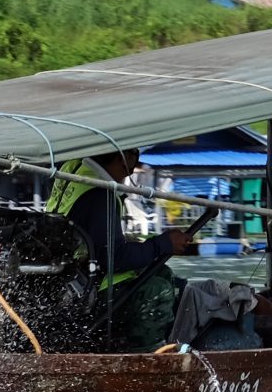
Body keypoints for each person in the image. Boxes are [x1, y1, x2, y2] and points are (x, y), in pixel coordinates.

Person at [59, 149, 194, 348]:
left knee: (162, 272)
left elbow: (96, 240)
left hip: (73, 277)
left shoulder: (74, 170)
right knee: (158, 290)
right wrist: (164, 244)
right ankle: (148, 356)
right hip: (86, 291)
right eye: (135, 153)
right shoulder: (100, 194)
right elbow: (114, 258)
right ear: (126, 158)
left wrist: (157, 242)